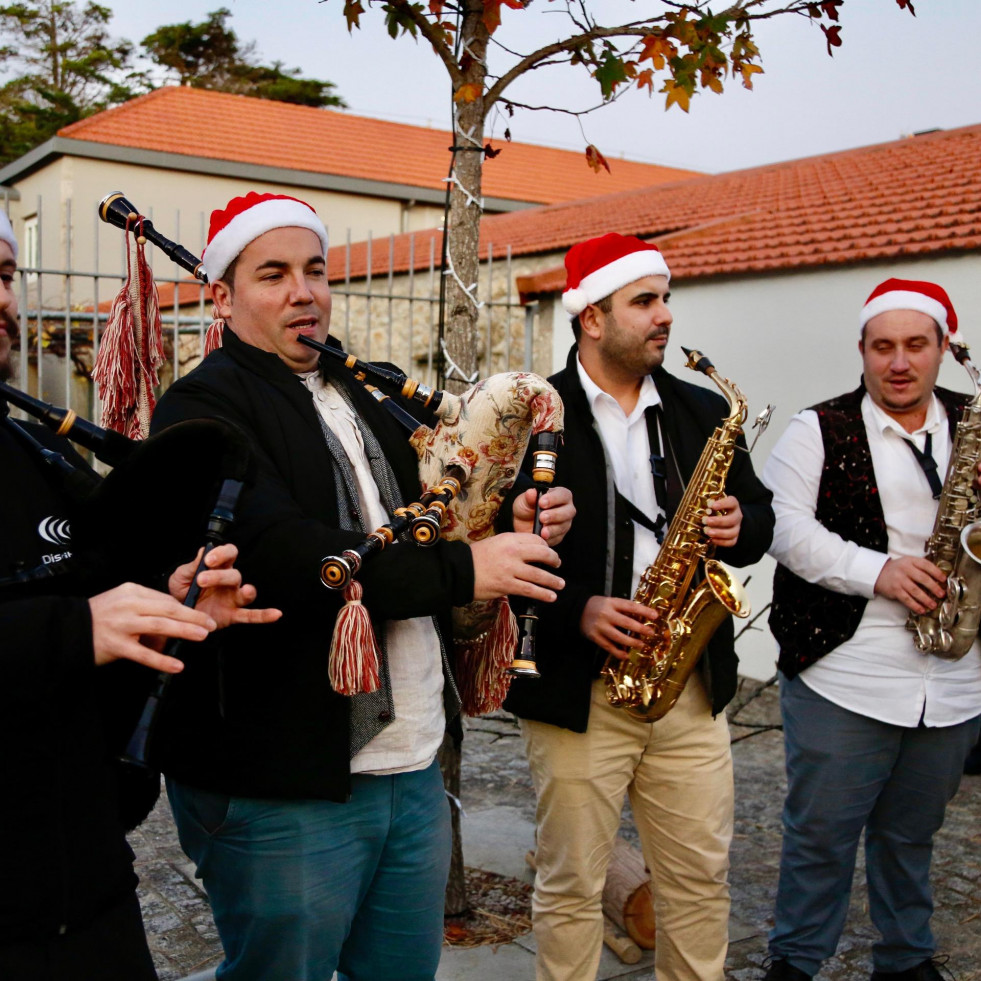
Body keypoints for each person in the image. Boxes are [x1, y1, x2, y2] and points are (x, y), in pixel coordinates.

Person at [148, 190, 575, 981]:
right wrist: (466, 568)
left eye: (315, 269)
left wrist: (503, 518)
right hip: (281, 778)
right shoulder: (201, 406)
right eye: (272, 273)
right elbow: (283, 553)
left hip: (410, 765)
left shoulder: (363, 393)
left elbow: (434, 520)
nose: (303, 291)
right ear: (220, 295)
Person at [0, 209, 281, 981]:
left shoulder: (34, 446)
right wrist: (77, 627)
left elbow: (91, 610)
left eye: (2, 275)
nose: (1, 298)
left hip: (88, 892)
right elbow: (71, 624)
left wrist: (166, 603)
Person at [503, 232, 774, 981]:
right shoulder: (530, 415)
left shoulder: (699, 411)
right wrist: (578, 610)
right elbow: (490, 540)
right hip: (575, 687)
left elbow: (760, 518)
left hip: (687, 686)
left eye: (665, 299)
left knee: (697, 881)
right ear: (590, 316)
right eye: (644, 301)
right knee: (569, 886)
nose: (664, 316)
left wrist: (738, 525)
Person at [762, 278, 981, 981]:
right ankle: (795, 960)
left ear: (941, 348)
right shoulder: (815, 428)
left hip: (950, 677)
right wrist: (877, 570)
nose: (897, 362)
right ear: (860, 349)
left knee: (911, 832)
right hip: (843, 670)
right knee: (820, 835)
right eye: (881, 346)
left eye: (915, 345)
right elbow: (783, 527)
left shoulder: (971, 422)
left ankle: (905, 958)